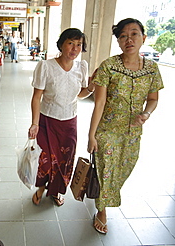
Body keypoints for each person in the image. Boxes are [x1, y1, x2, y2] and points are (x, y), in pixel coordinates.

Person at [87, 18, 164, 234]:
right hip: (108, 131)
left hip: (133, 133)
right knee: (107, 171)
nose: (128, 39)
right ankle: (101, 209)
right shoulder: (108, 67)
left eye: (134, 34)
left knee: (123, 169)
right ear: (118, 42)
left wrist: (146, 113)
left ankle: (106, 195)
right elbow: (99, 103)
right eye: (123, 36)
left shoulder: (152, 69)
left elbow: (153, 99)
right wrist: (91, 135)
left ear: (143, 38)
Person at [28, 28, 95, 207]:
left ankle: (57, 190)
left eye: (79, 45)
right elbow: (36, 97)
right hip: (47, 120)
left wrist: (91, 88)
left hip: (69, 122)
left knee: (64, 161)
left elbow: (80, 94)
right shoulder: (46, 66)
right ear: (61, 44)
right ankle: (41, 188)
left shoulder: (82, 67)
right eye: (70, 43)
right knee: (45, 159)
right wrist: (34, 123)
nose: (74, 48)